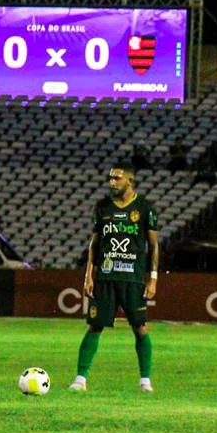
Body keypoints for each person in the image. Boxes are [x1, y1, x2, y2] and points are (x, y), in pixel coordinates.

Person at [70, 161, 159, 394]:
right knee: (95, 326)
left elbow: (153, 245)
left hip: (133, 278)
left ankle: (145, 381)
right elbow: (94, 244)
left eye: (117, 178)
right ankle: (80, 379)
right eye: (110, 177)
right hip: (105, 277)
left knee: (140, 327)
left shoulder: (145, 208)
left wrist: (153, 278)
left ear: (130, 180)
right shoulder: (102, 207)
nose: (112, 181)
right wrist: (88, 275)